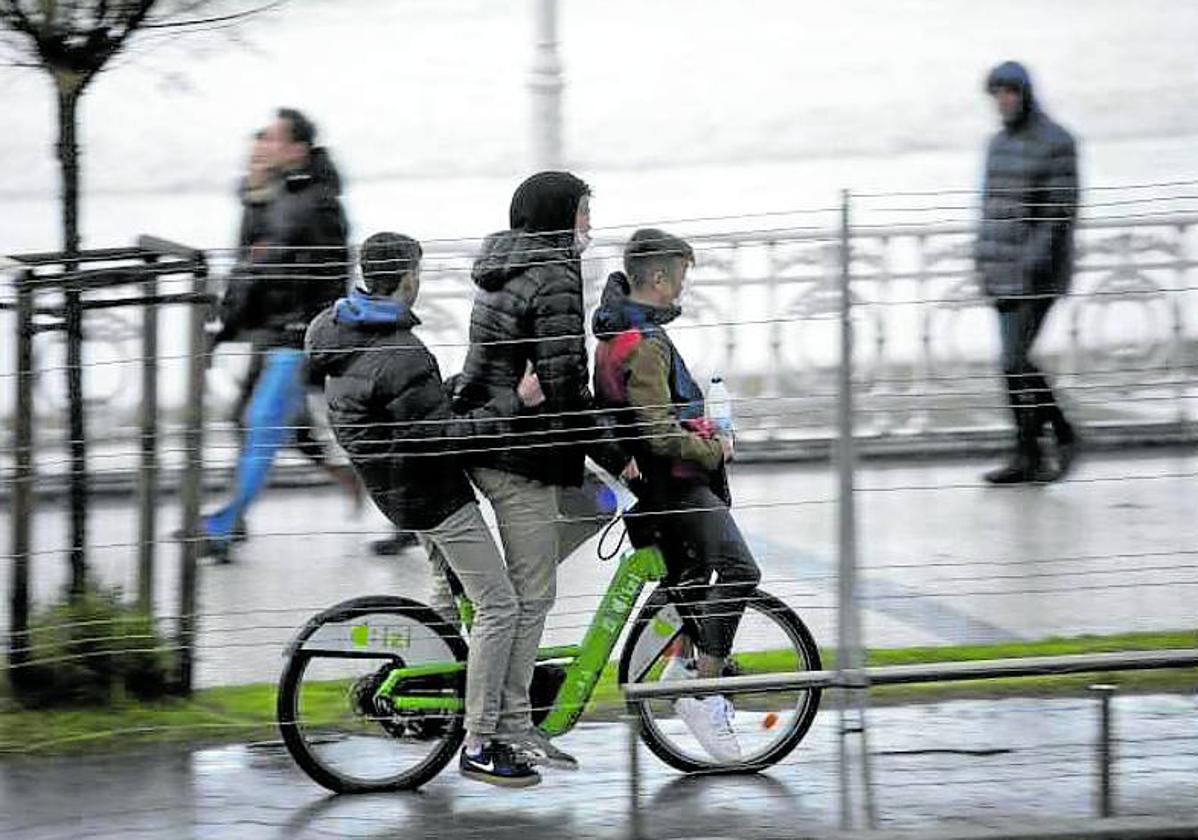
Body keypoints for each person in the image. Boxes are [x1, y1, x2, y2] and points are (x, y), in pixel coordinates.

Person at [306, 232, 548, 788]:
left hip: (399, 493)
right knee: (501, 606)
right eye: (419, 271)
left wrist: (457, 388)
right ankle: (482, 742)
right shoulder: (401, 352)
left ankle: (431, 701)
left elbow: (408, 416)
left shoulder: (344, 330)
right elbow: (446, 440)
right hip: (434, 496)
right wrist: (517, 402)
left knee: (452, 597)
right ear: (409, 277)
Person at [451, 171, 608, 770]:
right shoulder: (556, 274)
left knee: (600, 504)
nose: (590, 222)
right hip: (522, 455)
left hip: (492, 439)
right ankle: (505, 727)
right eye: (584, 211)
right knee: (530, 597)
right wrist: (621, 448)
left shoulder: (503, 266)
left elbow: (530, 373)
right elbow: (566, 381)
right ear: (559, 215)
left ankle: (478, 594)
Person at [592, 228, 760, 764]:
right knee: (739, 571)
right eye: (682, 275)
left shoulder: (616, 333)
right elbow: (658, 433)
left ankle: (686, 666)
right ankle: (703, 690)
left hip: (655, 489)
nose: (684, 286)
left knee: (690, 585)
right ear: (660, 279)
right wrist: (714, 448)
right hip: (676, 487)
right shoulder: (642, 344)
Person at [199, 108, 350, 559]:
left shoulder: (313, 202)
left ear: (298, 150)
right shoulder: (287, 196)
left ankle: (221, 527)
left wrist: (309, 329)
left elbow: (307, 271)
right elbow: (256, 268)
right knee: (275, 426)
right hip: (280, 335)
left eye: (275, 140)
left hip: (294, 338)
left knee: (263, 424)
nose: (266, 148)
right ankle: (389, 503)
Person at [976, 61, 1079, 484]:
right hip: (1000, 271)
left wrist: (1029, 265)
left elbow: (1059, 213)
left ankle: (1060, 435)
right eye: (996, 93)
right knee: (1010, 365)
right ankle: (1028, 454)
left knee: (1016, 358)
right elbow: (989, 208)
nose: (1003, 100)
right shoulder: (996, 144)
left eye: (1009, 92)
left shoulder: (1057, 141)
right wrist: (981, 256)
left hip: (1039, 276)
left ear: (1025, 93)